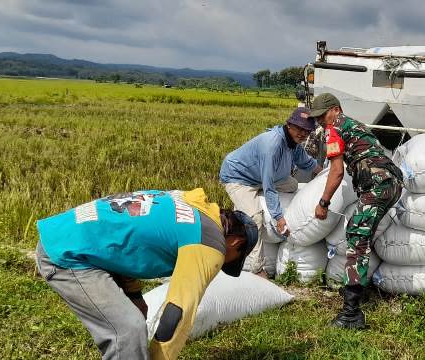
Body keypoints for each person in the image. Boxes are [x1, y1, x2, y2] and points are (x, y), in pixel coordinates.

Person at [35, 188, 257, 359]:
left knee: (132, 322)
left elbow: (130, 241)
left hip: (66, 233)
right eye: (232, 260)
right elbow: (178, 312)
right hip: (68, 254)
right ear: (235, 242)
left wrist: (135, 296)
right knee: (127, 330)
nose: (221, 264)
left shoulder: (187, 202)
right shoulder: (209, 243)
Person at [309, 93, 403, 329]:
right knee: (359, 233)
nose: (320, 121)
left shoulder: (334, 130)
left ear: (335, 110)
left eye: (322, 115)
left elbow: (337, 171)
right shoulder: (356, 124)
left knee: (357, 239)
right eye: (317, 117)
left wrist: (323, 203)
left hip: (377, 186)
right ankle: (358, 290)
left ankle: (351, 314)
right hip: (392, 185)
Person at [219, 107, 321, 275]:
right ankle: (257, 268)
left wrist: (325, 173)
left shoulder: (293, 143)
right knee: (255, 219)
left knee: (292, 185)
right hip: (239, 178)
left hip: (261, 177)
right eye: (299, 128)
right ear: (289, 125)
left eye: (307, 131)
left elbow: (305, 161)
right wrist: (278, 217)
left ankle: (255, 198)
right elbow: (269, 185)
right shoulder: (272, 145)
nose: (303, 134)